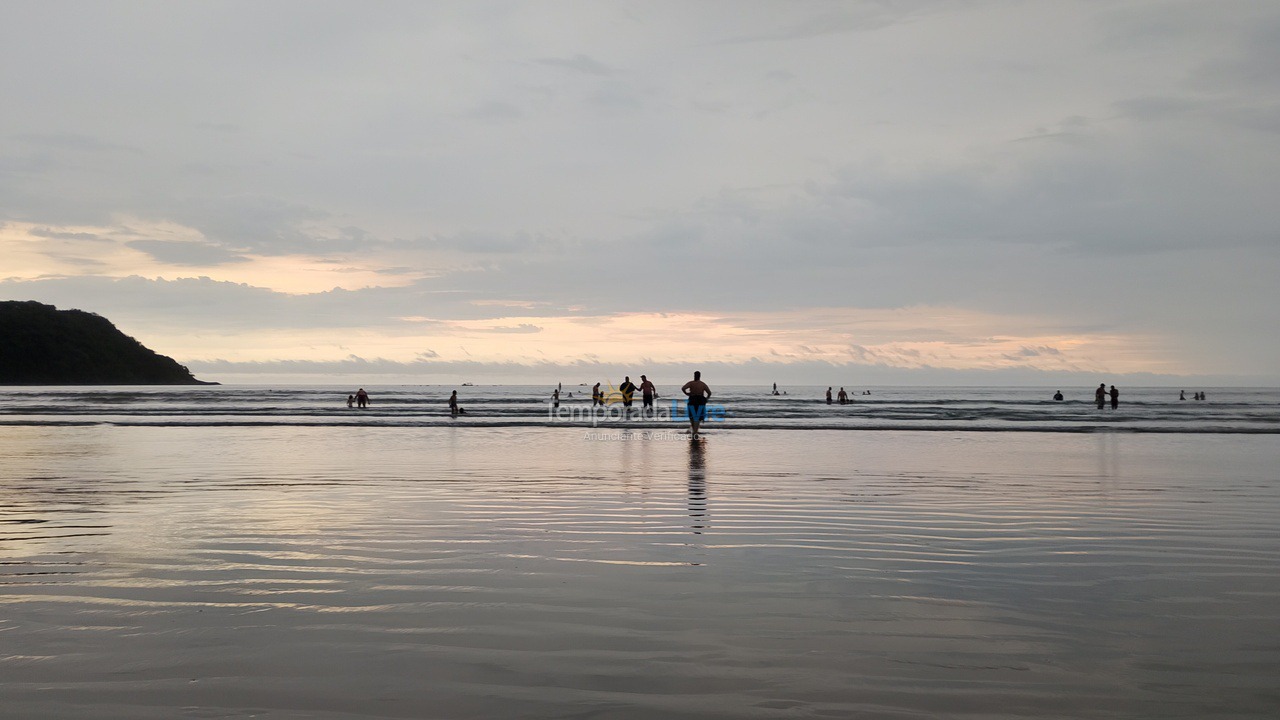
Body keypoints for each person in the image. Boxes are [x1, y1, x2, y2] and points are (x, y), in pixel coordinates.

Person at [682, 371, 712, 438]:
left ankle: (694, 430)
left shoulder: (691, 383)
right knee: (697, 416)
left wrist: (686, 393)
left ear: (694, 376)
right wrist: (706, 398)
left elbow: (683, 388)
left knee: (692, 416)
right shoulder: (702, 384)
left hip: (692, 399)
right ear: (700, 376)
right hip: (700, 400)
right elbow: (709, 393)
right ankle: (695, 431)